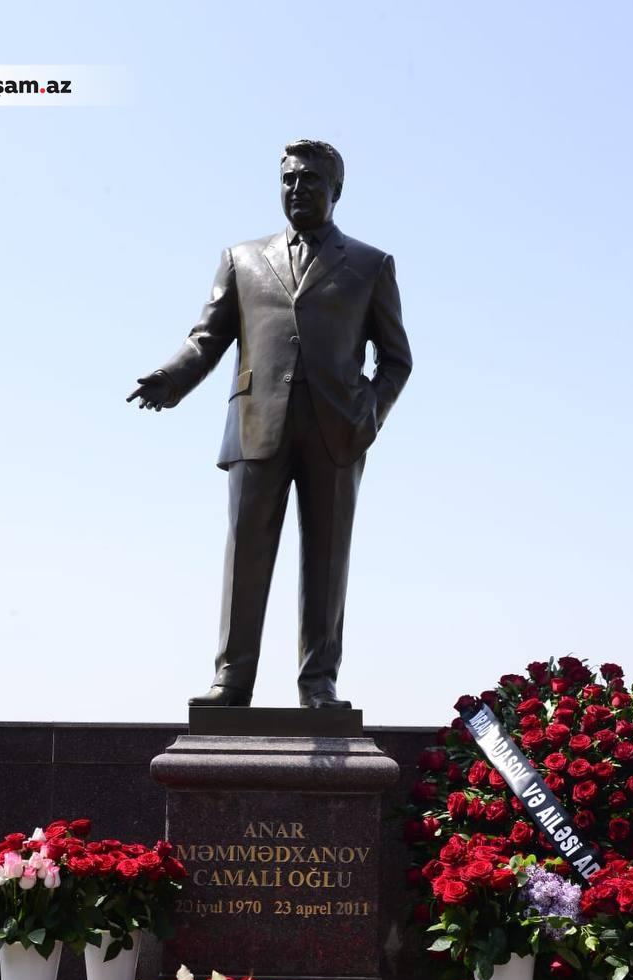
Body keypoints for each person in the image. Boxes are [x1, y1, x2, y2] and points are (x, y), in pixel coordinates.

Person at [127, 140, 412, 709]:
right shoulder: (243, 258)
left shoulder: (370, 264)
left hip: (336, 432)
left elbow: (396, 359)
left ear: (336, 189)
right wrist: (170, 379)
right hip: (257, 426)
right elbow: (207, 338)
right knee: (246, 556)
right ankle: (232, 679)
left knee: (327, 559)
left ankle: (318, 683)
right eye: (289, 179)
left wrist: (367, 415)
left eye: (310, 179)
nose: (297, 189)